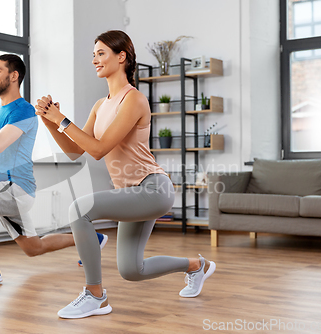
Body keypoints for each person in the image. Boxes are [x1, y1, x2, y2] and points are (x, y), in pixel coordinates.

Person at [35, 30, 216, 318]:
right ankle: (197, 265)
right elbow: (75, 151)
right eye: (93, 54)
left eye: (101, 53)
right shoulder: (100, 105)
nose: (95, 59)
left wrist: (62, 119)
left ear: (121, 57)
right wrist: (49, 121)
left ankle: (95, 295)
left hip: (153, 188)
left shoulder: (133, 100)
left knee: (79, 209)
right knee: (132, 270)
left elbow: (98, 149)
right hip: (130, 193)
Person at [0, 54, 108, 289]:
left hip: (13, 190)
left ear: (14, 76)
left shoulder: (23, 110)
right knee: (34, 248)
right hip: (2, 191)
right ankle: (89, 238)